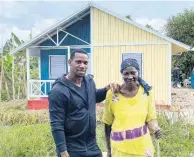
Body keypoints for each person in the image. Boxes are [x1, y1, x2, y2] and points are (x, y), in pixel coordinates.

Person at [48, 49, 119, 157]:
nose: (82, 66)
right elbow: (56, 124)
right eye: (78, 62)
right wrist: (63, 153)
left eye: (85, 63)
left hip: (91, 146)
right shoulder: (58, 91)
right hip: (71, 149)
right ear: (69, 62)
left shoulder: (89, 82)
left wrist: (107, 89)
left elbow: (94, 96)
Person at [102, 58, 162, 157]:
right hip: (119, 150)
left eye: (133, 73)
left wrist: (156, 128)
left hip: (143, 150)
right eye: (126, 73)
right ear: (122, 74)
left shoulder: (146, 93)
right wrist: (108, 150)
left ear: (138, 73)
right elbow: (107, 123)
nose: (130, 77)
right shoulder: (112, 94)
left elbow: (151, 118)